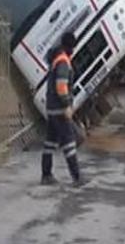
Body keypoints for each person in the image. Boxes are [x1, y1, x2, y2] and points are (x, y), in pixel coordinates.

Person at [41, 33, 86, 187]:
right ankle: (77, 177)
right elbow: (61, 85)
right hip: (60, 109)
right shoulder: (63, 62)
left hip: (51, 108)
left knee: (50, 143)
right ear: (71, 46)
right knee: (69, 142)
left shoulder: (56, 58)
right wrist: (67, 105)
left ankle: (46, 175)